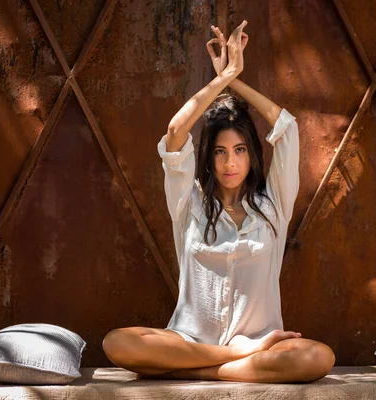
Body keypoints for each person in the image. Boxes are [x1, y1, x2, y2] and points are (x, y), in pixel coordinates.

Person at [102, 21, 335, 383]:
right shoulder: (189, 203)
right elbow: (176, 133)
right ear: (208, 157)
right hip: (189, 342)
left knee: (318, 357)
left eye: (240, 151)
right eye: (221, 152)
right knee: (117, 342)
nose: (230, 163)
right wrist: (222, 77)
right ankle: (230, 362)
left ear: (252, 155)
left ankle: (201, 372)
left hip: (262, 344)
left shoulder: (273, 206)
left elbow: (287, 128)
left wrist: (235, 79)